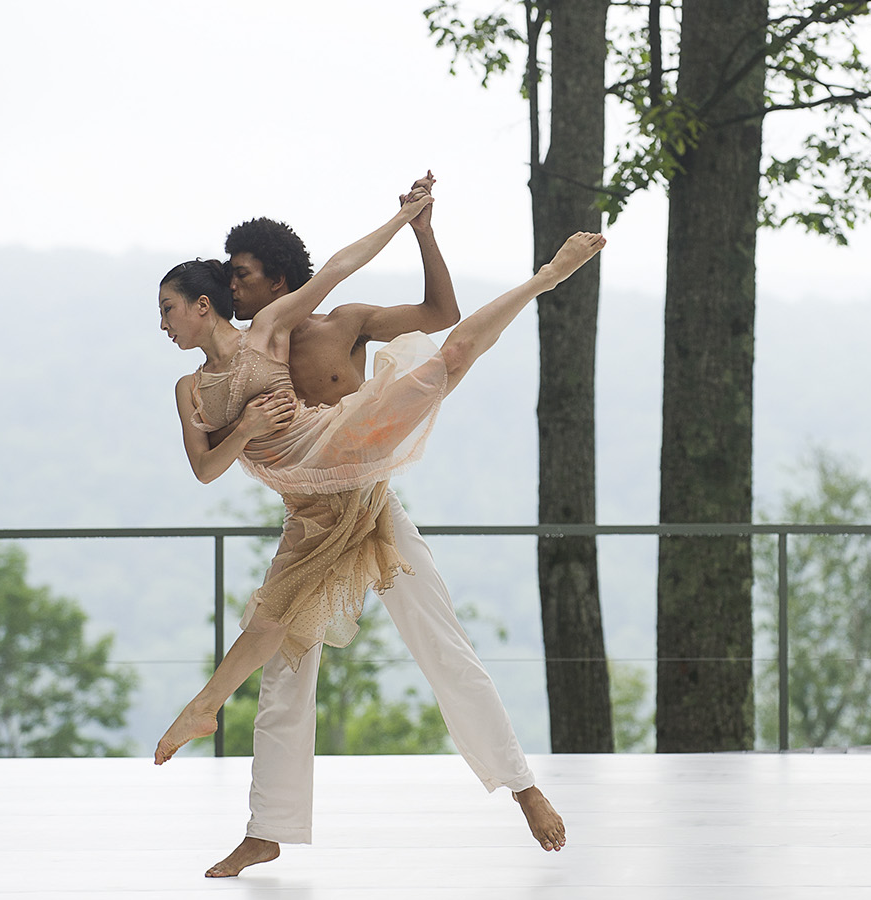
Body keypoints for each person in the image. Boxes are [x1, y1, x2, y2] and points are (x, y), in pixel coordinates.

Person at [153, 176, 605, 876]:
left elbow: (425, 305)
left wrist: (412, 225)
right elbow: (207, 453)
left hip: (366, 489)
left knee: (441, 641)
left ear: (274, 279)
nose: (232, 289)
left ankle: (523, 787)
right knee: (285, 668)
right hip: (311, 514)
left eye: (241, 277)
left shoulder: (335, 325)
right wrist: (242, 426)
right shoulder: (236, 352)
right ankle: (266, 827)